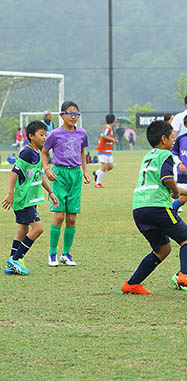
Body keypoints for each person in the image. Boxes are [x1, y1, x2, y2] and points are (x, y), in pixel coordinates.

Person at [121, 120, 187, 295]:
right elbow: (167, 179)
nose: (173, 141)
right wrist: (175, 192)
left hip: (139, 209)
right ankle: (185, 275)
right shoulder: (165, 155)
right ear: (163, 139)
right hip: (157, 207)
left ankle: (132, 284)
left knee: (162, 249)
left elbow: (164, 182)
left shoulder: (148, 155)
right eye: (172, 138)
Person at [2, 121, 59, 275]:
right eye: (41, 134)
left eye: (45, 134)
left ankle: (12, 263)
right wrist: (10, 193)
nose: (45, 137)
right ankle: (16, 258)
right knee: (38, 228)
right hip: (23, 199)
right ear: (31, 136)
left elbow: (37, 174)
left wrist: (51, 192)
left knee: (23, 230)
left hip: (30, 199)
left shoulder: (37, 152)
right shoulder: (27, 152)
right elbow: (15, 171)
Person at [41, 101, 90, 267]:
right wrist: (47, 169)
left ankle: (66, 253)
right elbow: (44, 152)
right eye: (70, 113)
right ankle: (52, 253)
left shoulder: (82, 133)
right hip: (60, 175)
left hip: (75, 175)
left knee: (71, 218)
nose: (74, 117)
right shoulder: (55, 133)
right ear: (62, 115)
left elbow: (82, 152)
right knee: (59, 215)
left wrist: (84, 170)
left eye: (76, 114)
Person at [93, 114, 118, 188]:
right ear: (114, 121)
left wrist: (112, 141)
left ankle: (97, 173)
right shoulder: (107, 128)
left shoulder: (110, 128)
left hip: (108, 151)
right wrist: (113, 139)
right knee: (104, 166)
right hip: (102, 150)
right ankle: (98, 183)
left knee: (110, 167)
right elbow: (103, 135)